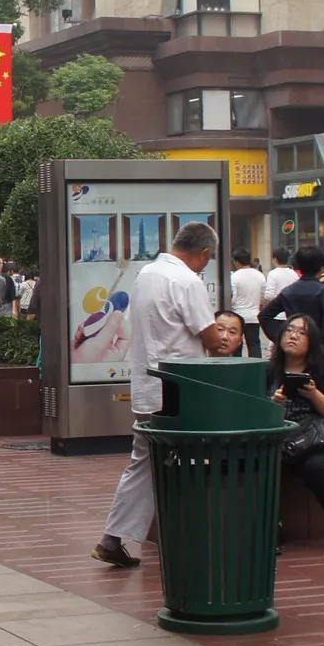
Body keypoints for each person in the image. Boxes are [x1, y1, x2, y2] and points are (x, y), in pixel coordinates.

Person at [93, 221, 229, 569]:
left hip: (147, 387)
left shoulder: (147, 274)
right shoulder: (187, 280)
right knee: (193, 457)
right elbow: (212, 337)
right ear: (204, 254)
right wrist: (226, 341)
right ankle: (193, 532)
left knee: (144, 462)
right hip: (181, 390)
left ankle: (113, 537)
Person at [268, 313, 324, 553]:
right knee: (265, 465)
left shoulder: (322, 370)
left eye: (302, 332)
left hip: (314, 442)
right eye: (289, 330)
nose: (293, 336)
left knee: (316, 468)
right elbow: (255, 413)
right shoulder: (269, 371)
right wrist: (273, 404)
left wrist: (314, 395)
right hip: (277, 442)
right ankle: (272, 530)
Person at [261, 246, 324, 354]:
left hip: (294, 348)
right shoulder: (323, 291)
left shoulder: (288, 291)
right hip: (315, 348)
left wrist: (281, 339)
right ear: (321, 267)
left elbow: (264, 315)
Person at [227, 254, 265, 357]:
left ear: (237, 261)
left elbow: (233, 298)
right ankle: (256, 369)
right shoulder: (259, 275)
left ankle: (237, 369)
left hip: (238, 316)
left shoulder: (234, 276)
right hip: (254, 316)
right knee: (254, 344)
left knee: (236, 345)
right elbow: (263, 296)